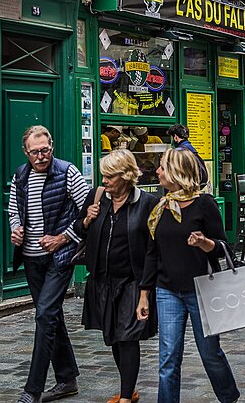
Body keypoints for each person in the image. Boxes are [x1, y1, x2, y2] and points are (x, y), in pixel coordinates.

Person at [139, 148, 240, 403]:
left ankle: (229, 398)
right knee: (168, 358)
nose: (158, 171)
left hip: (202, 290)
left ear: (177, 172)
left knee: (210, 354)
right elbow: (152, 253)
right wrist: (144, 294)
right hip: (167, 290)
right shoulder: (161, 207)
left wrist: (205, 243)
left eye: (163, 167)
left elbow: (224, 248)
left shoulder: (204, 204)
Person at [8, 126, 89, 403]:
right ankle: (67, 380)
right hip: (31, 259)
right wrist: (16, 229)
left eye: (45, 150)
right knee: (51, 315)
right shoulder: (20, 175)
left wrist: (63, 238)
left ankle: (32, 390)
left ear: (51, 147)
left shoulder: (68, 173)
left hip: (59, 257)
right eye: (35, 152)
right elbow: (13, 210)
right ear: (25, 152)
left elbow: (89, 213)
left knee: (44, 315)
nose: (41, 156)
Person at [79, 149, 159, 403]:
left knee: (127, 337)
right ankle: (129, 389)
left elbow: (153, 247)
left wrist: (147, 288)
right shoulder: (97, 197)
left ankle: (125, 397)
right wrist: (86, 220)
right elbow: (79, 230)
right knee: (113, 336)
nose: (104, 181)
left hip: (132, 280)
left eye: (110, 176)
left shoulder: (147, 203)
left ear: (126, 176)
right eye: (103, 175)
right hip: (103, 280)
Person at [167, 123, 209, 187]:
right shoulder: (192, 150)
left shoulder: (179, 152)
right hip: (195, 187)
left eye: (172, 138)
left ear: (175, 137)